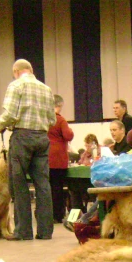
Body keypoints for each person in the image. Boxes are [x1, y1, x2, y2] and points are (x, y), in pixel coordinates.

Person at [0, 59, 56, 241]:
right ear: (31, 70)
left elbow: (10, 114)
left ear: (16, 71)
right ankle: (45, 231)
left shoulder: (16, 86)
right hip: (42, 138)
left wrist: (1, 125)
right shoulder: (46, 89)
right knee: (43, 184)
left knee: (19, 184)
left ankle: (23, 231)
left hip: (22, 137)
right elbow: (52, 120)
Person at [47, 94, 74, 224]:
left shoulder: (43, 118)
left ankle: (45, 214)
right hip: (58, 159)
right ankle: (58, 215)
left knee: (46, 188)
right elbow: (68, 135)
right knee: (57, 189)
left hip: (44, 158)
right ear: (59, 105)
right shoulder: (60, 120)